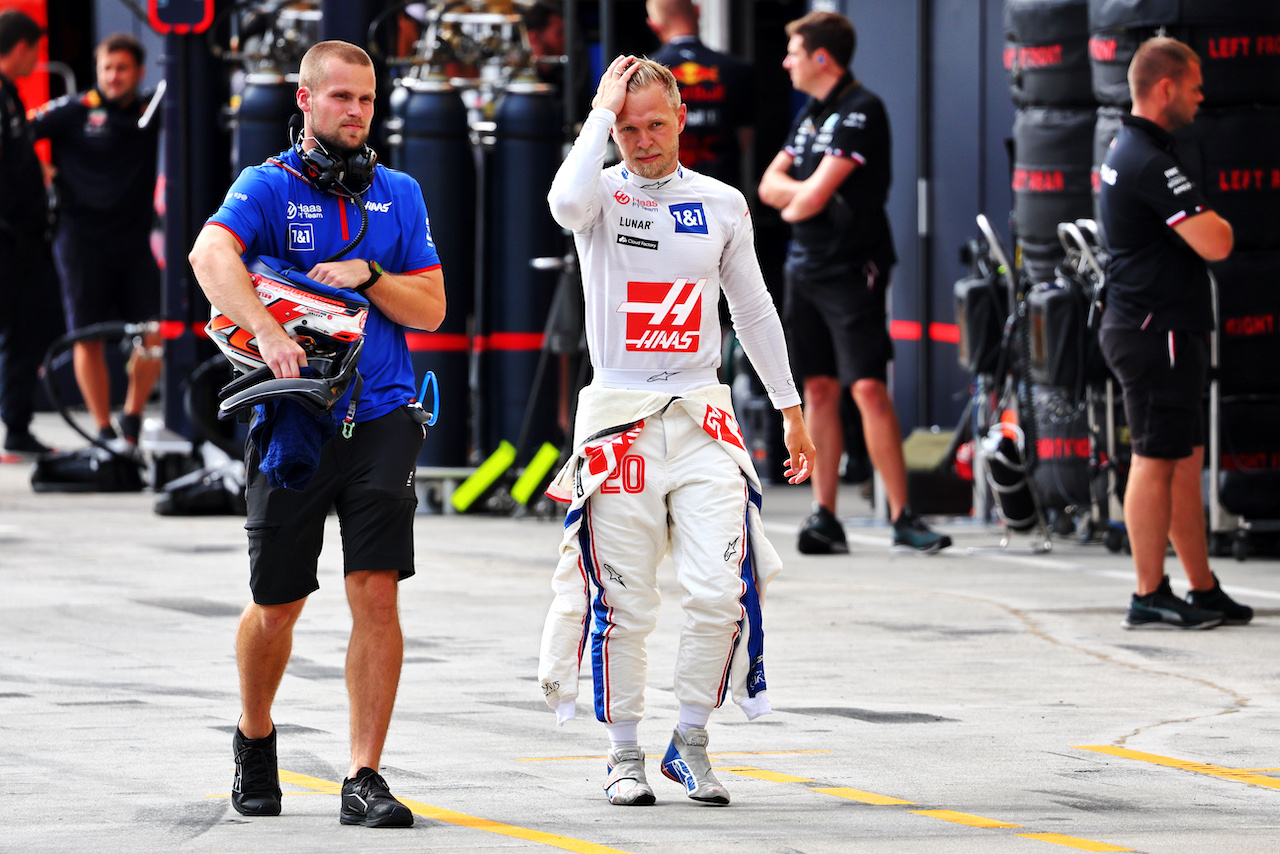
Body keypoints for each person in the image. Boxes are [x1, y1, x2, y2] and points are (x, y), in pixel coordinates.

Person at [538, 55, 815, 807]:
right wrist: (598, 115)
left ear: (682, 118)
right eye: (628, 128)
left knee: (720, 588)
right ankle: (622, 752)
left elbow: (753, 311)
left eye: (656, 123)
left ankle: (690, 741)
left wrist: (790, 409)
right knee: (622, 599)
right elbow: (562, 202)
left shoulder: (722, 204)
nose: (643, 139)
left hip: (701, 416)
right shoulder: (596, 193)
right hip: (618, 420)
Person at [188, 40, 446, 826]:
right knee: (278, 604)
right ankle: (254, 738)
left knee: (376, 595)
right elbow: (208, 254)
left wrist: (370, 276)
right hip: (291, 419)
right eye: (339, 97)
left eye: (365, 100)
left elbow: (430, 310)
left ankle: (364, 774)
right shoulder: (266, 186)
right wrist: (266, 331)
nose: (355, 112)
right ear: (305, 100)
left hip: (384, 413)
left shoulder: (398, 193)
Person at [758, 10, 950, 556]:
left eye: (793, 51)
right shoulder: (811, 116)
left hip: (852, 268)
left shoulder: (862, 110)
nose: (785, 60)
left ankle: (902, 514)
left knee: (866, 387)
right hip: (805, 268)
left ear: (822, 56)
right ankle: (825, 514)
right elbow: (770, 183)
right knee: (816, 388)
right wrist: (797, 198)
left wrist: (795, 200)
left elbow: (809, 196)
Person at [1097, 36, 1251, 630]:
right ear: (1166, 88)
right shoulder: (1146, 159)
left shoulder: (1136, 146)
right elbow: (1218, 240)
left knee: (1184, 461)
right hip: (1152, 329)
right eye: (1194, 85)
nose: (1201, 96)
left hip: (1160, 325)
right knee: (1154, 460)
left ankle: (1201, 586)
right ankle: (1147, 592)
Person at [31, 33, 161, 446]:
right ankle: (103, 429)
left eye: (122, 68)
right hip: (80, 240)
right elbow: (21, 137)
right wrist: (40, 176)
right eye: (107, 68)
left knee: (153, 334)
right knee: (86, 336)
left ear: (139, 72)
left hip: (134, 240)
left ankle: (133, 419)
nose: (114, 76)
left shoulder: (150, 111)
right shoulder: (73, 110)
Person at [0, 10, 61, 456]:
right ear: (22, 47)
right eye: (35, 50)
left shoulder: (10, 96)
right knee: (18, 330)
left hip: (23, 241)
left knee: (27, 331)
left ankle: (16, 426)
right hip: (7, 239)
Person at [646, 0, 754, 191]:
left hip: (664, 191)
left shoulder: (645, 74)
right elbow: (745, 137)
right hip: (721, 187)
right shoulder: (737, 70)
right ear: (697, 11)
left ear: (653, 25)